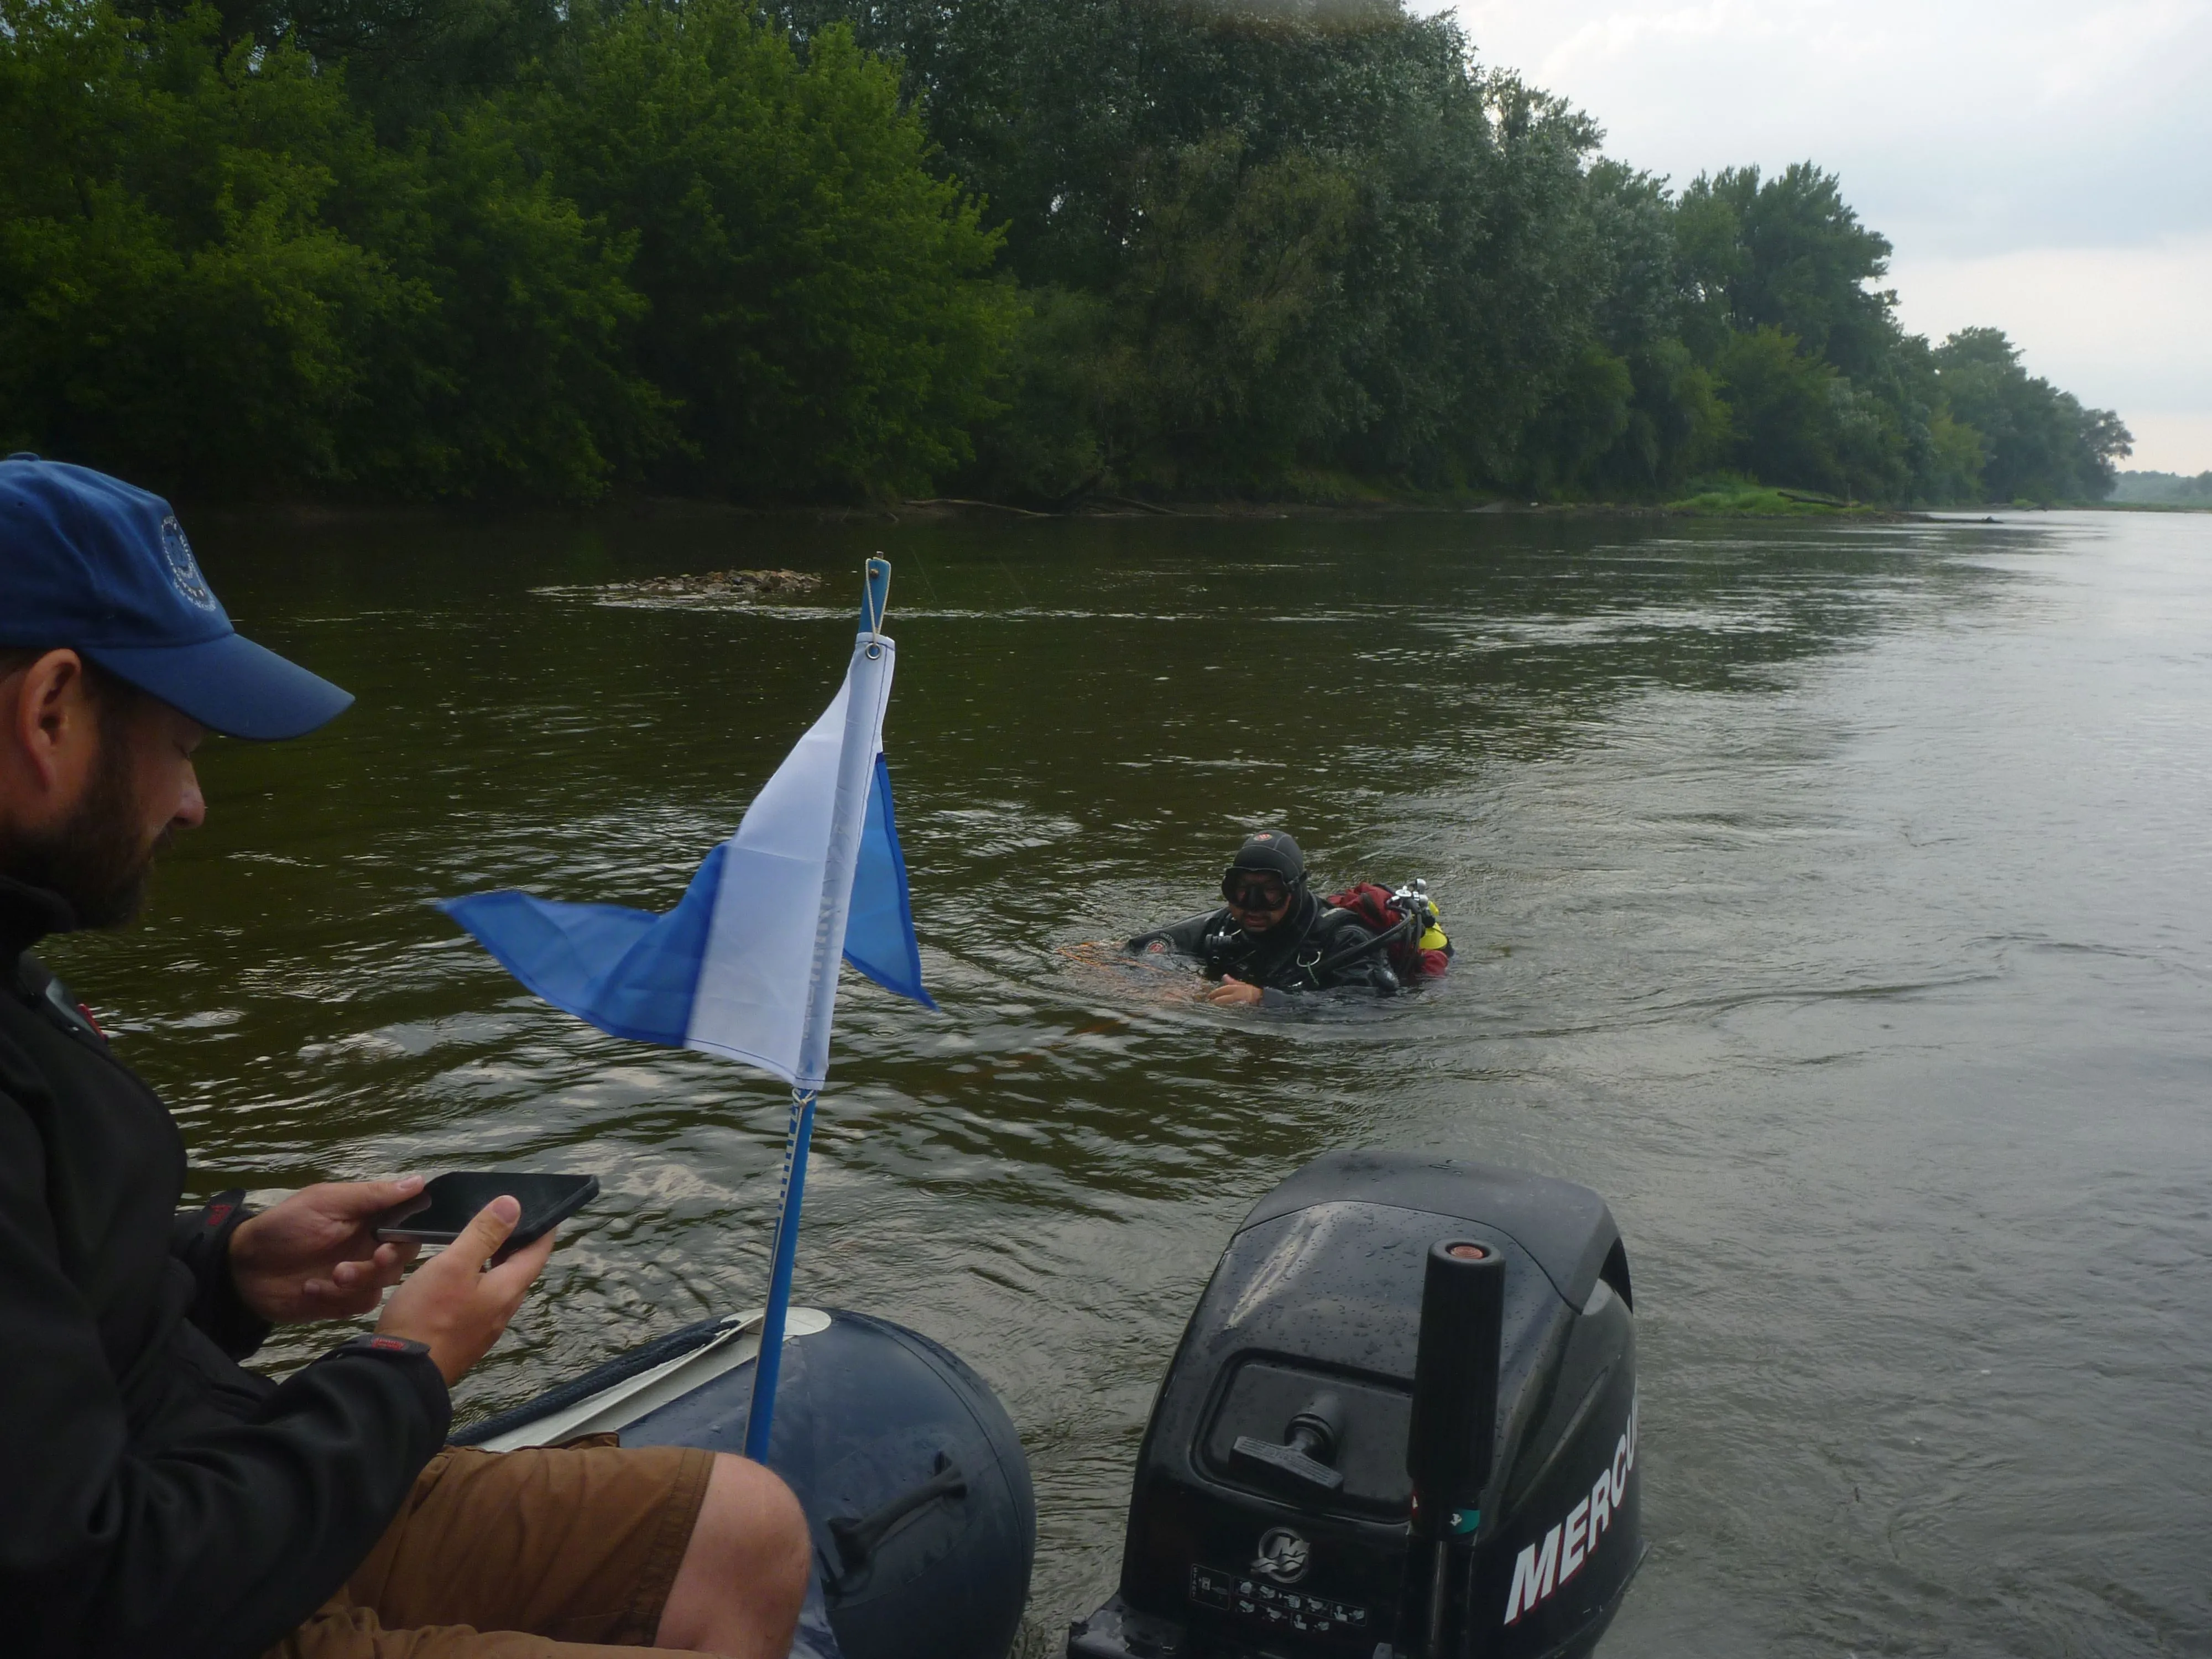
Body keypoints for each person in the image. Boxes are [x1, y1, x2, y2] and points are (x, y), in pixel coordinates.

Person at [0, 458, 811, 1659]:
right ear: (52, 711)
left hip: (192, 1479)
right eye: (184, 744)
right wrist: (404, 1366)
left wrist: (226, 1268)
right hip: (149, 1595)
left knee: (748, 1529)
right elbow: (78, 1588)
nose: (191, 804)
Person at [1126, 830, 1443, 1005]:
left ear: (1295, 891)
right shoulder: (1225, 924)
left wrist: (1264, 1001)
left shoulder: (1344, 937)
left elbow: (1368, 1008)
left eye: (1269, 892)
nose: (1252, 905)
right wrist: (1163, 981)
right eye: (1240, 891)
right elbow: (1147, 948)